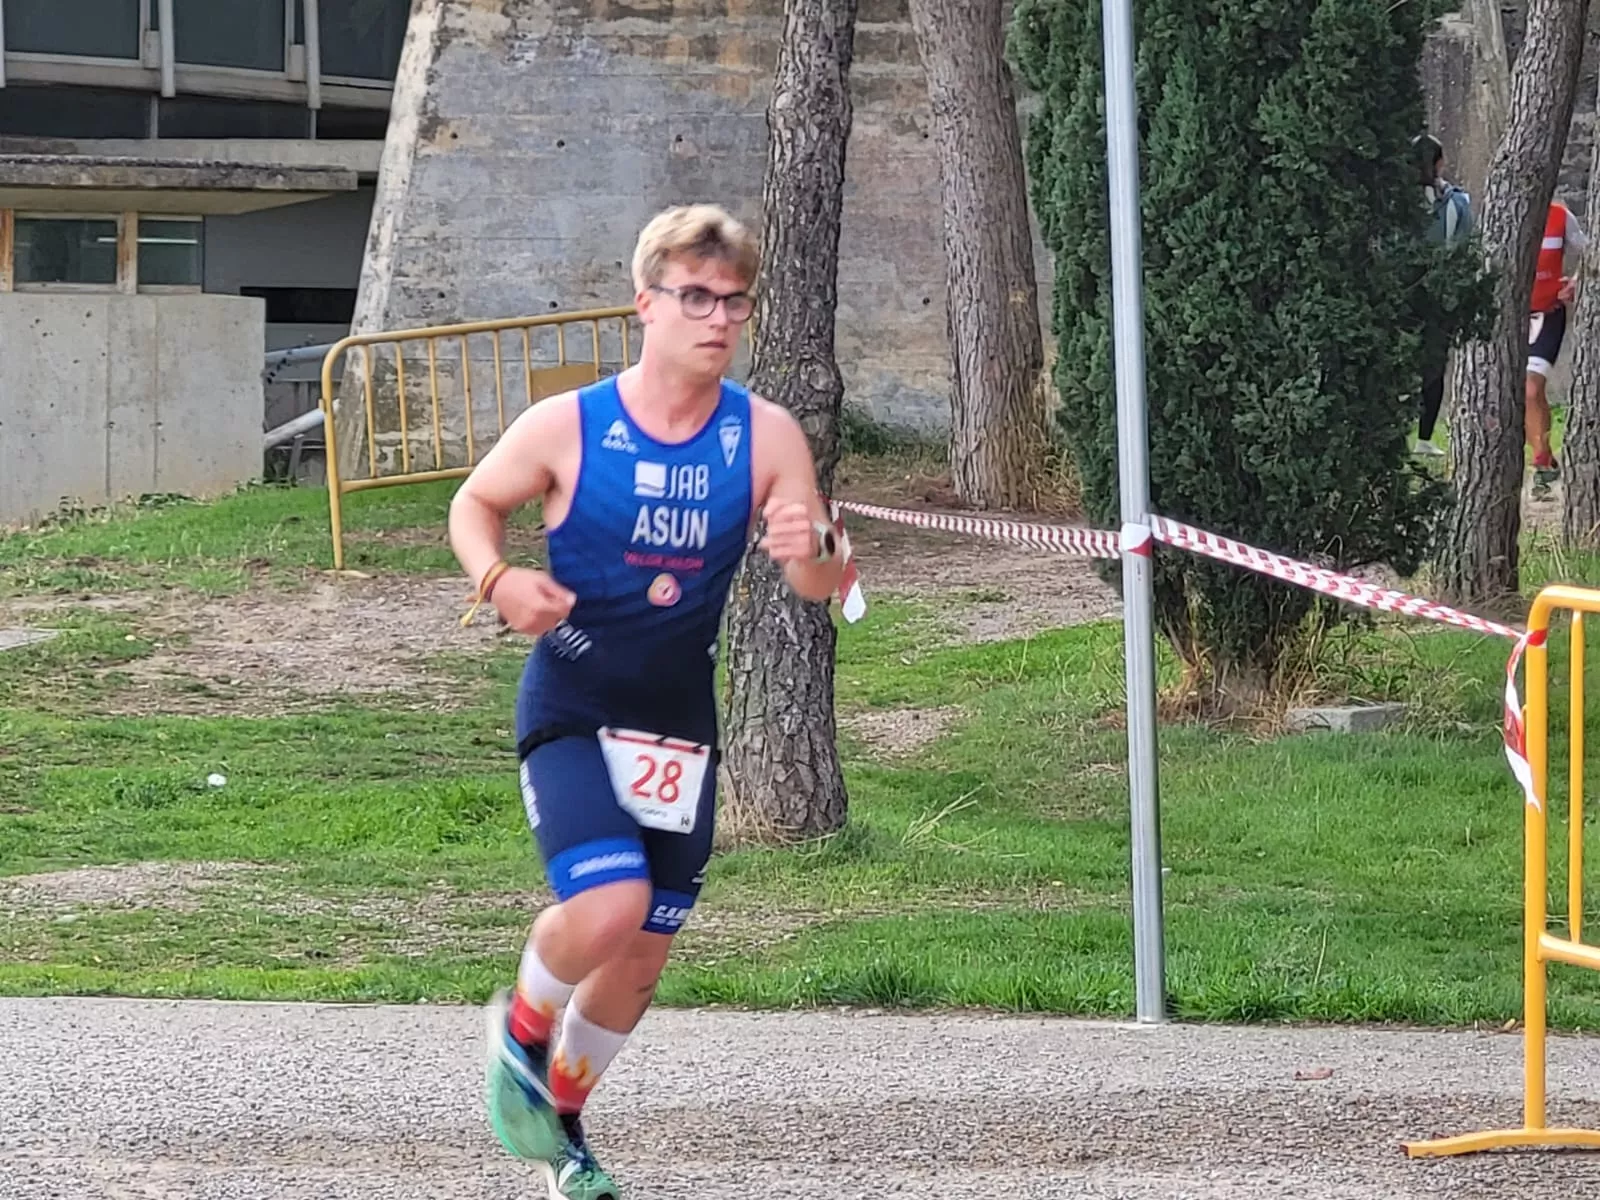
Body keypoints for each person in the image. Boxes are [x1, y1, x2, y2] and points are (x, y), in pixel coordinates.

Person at [446, 203, 847, 1200]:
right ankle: (520, 1045)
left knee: (641, 956)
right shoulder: (570, 424)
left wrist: (819, 551)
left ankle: (560, 1129)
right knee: (608, 903)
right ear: (646, 305)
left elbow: (822, 581)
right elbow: (473, 503)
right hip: (575, 701)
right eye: (695, 297)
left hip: (677, 722)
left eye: (733, 302)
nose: (716, 318)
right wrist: (498, 582)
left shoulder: (764, 435)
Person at [1412, 132, 1473, 458]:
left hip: (1403, 293)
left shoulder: (1392, 201)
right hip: (1438, 296)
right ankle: (1423, 437)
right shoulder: (1456, 201)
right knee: (1433, 367)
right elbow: (1464, 248)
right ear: (1440, 163)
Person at [1527, 195, 1588, 495]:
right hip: (1516, 316)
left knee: (1532, 388)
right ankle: (1545, 457)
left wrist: (1575, 281)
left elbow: (1591, 251)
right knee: (1525, 394)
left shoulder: (1561, 217)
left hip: (1549, 313)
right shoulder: (1507, 212)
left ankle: (1540, 465)